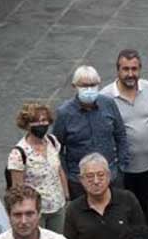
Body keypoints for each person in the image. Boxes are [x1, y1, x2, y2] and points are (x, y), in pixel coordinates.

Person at [101, 49, 148, 218]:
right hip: (122, 169)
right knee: (124, 210)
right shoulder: (105, 97)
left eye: (134, 69)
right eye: (125, 69)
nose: (130, 74)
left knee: (147, 208)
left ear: (140, 69)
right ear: (118, 70)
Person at [53, 65, 130, 201]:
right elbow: (56, 148)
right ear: (74, 86)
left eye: (93, 85)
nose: (89, 89)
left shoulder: (109, 104)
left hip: (111, 176)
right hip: (79, 181)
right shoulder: (64, 113)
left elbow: (121, 135)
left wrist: (121, 167)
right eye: (84, 85)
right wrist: (68, 176)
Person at [8, 101, 69, 233]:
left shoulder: (52, 141)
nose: (41, 124)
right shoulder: (19, 153)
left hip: (58, 205)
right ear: (27, 124)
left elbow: (59, 170)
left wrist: (66, 194)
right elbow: (17, 188)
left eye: (44, 120)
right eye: (36, 121)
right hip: (36, 210)